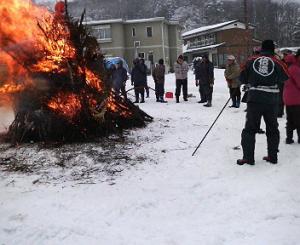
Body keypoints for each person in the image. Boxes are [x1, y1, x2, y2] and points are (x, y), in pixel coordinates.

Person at [237, 40, 289, 165]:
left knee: (250, 129)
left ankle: (248, 158)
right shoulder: (277, 62)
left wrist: (252, 78)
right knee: (272, 128)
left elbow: (242, 77)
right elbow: (285, 77)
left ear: (261, 48)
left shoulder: (251, 60)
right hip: (271, 100)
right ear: (273, 49)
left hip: (254, 98)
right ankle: (273, 157)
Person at [283, 50, 300, 144]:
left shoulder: (287, 68)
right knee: (298, 120)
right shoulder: (295, 69)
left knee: (290, 120)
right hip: (296, 98)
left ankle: (289, 138)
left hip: (287, 98)